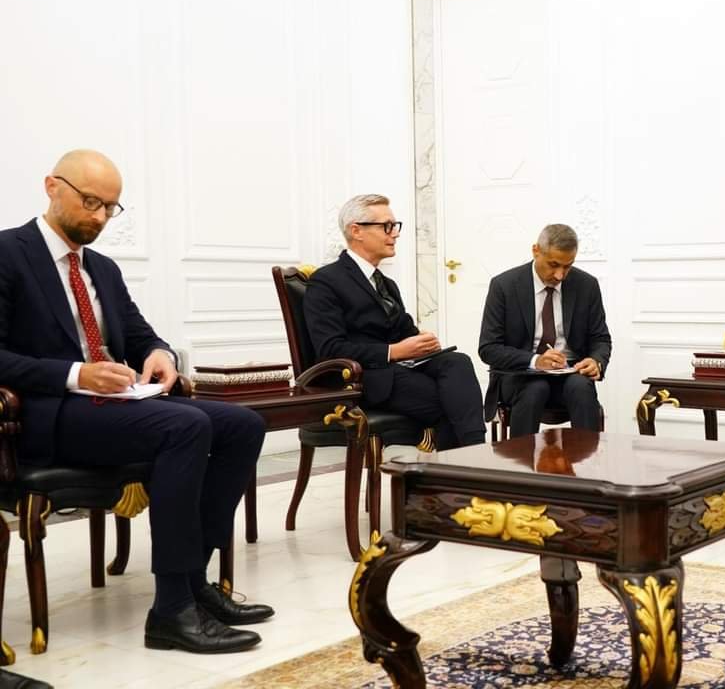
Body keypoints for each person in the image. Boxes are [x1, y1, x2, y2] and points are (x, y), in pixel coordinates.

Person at [0, 150, 273, 653]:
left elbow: (140, 333)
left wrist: (159, 354)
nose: (100, 217)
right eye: (90, 202)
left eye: (110, 207)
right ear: (51, 186)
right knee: (185, 427)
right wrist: (76, 374)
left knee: (242, 425)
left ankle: (193, 581)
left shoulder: (102, 269)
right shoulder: (7, 254)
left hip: (112, 405)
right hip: (46, 413)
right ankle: (171, 610)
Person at [304, 194, 486, 450]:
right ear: (356, 231)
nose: (395, 234)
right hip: (360, 378)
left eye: (395, 226)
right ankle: (473, 460)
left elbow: (404, 332)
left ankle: (471, 457)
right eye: (387, 226)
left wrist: (422, 341)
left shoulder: (386, 283)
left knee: (457, 362)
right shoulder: (326, 281)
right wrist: (393, 351)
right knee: (453, 399)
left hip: (397, 370)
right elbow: (330, 349)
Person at [478, 224, 612, 436]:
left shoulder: (586, 285)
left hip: (568, 373)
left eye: (567, 267)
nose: (560, 275)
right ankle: (520, 457)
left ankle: (588, 456)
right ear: (536, 251)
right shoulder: (504, 286)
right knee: (535, 388)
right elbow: (488, 348)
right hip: (520, 375)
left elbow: (600, 338)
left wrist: (596, 361)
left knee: (581, 387)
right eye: (554, 265)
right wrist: (535, 360)